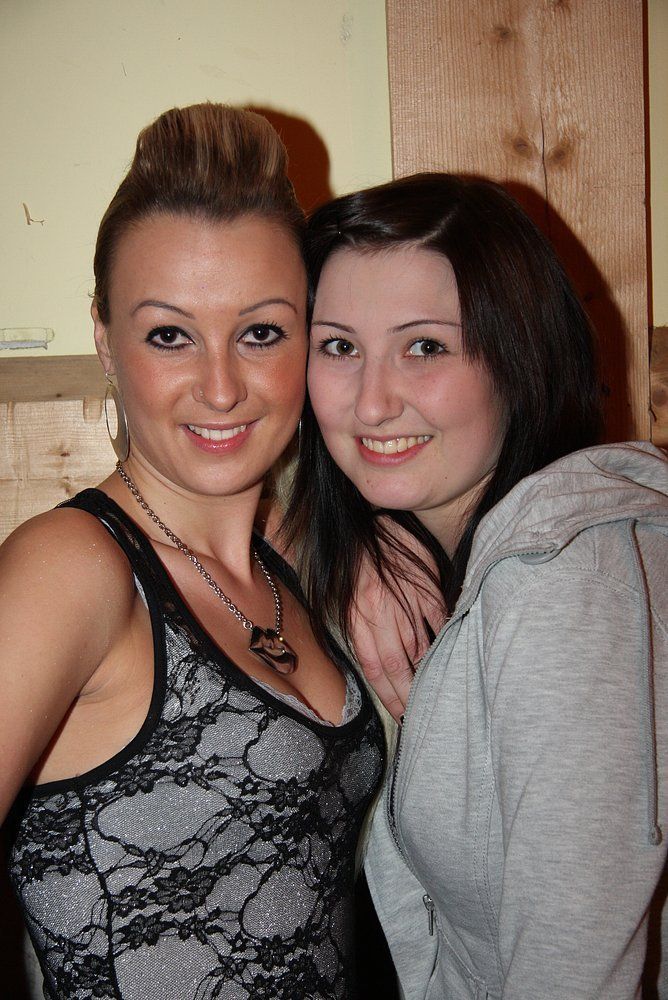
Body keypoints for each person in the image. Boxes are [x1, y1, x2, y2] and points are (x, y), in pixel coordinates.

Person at [0, 103, 384, 1000]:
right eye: (169, 334)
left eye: (260, 332)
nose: (220, 387)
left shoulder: (281, 568)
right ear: (106, 342)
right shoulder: (71, 570)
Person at [284, 172, 668, 998]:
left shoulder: (559, 586)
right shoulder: (443, 545)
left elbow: (572, 974)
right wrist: (356, 543)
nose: (372, 403)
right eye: (339, 347)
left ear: (517, 356)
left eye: (425, 347)